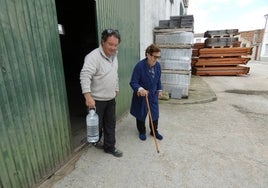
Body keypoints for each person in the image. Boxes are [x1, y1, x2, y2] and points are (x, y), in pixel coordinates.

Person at [80, 29, 123, 157]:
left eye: (115, 45)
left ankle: (109, 147)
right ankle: (96, 140)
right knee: (97, 125)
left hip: (110, 98)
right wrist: (88, 97)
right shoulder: (93, 57)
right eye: (110, 44)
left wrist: (116, 88)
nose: (113, 48)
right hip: (96, 100)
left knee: (110, 124)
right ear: (102, 42)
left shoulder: (114, 56)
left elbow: (115, 74)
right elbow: (85, 76)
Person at [129, 44, 163, 141]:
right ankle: (142, 131)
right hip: (142, 95)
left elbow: (158, 80)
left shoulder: (158, 66)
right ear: (148, 55)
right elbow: (133, 82)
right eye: (154, 56)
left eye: (158, 57)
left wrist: (159, 90)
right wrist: (140, 89)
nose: (156, 59)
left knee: (155, 114)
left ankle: (154, 131)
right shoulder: (139, 66)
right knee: (141, 114)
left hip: (153, 95)